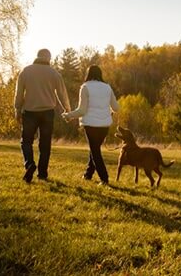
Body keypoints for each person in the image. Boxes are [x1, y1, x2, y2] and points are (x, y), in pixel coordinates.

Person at [14, 48, 71, 183]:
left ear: (37, 56)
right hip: (47, 113)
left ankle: (29, 164)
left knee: (26, 141)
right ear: (48, 58)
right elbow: (62, 93)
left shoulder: (26, 71)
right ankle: (42, 174)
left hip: (29, 112)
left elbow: (19, 93)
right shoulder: (54, 73)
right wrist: (67, 109)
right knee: (45, 145)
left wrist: (17, 109)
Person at [62, 65, 119, 185]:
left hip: (90, 124)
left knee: (95, 151)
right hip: (105, 125)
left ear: (88, 74)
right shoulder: (107, 87)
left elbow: (82, 110)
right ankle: (88, 174)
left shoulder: (85, 87)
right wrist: (108, 112)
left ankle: (104, 179)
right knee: (95, 149)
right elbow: (116, 107)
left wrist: (68, 115)